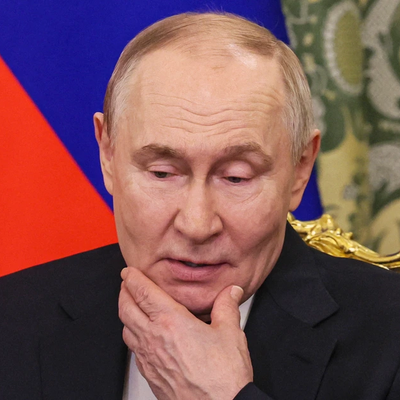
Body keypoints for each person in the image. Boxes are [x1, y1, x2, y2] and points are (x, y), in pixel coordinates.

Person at [1, 12, 400, 400]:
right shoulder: (12, 319)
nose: (196, 225)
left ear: (300, 170)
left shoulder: (389, 335)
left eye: (236, 177)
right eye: (162, 173)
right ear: (108, 155)